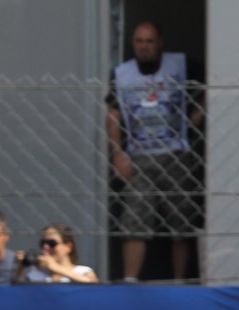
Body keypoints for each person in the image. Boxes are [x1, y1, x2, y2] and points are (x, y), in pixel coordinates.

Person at [107, 21, 204, 283]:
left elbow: (209, 89)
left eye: (150, 41)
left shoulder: (180, 65)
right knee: (135, 219)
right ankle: (130, 279)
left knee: (181, 220)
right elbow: (113, 114)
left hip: (176, 154)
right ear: (133, 44)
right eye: (139, 41)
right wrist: (117, 152)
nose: (144, 47)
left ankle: (180, 279)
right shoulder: (122, 74)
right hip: (139, 155)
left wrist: (192, 121)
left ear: (160, 43)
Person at [13, 224, 100, 283]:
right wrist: (21, 269)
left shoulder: (82, 271)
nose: (46, 247)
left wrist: (56, 267)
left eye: (52, 243)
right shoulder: (34, 274)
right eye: (43, 243)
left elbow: (93, 284)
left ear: (68, 247)